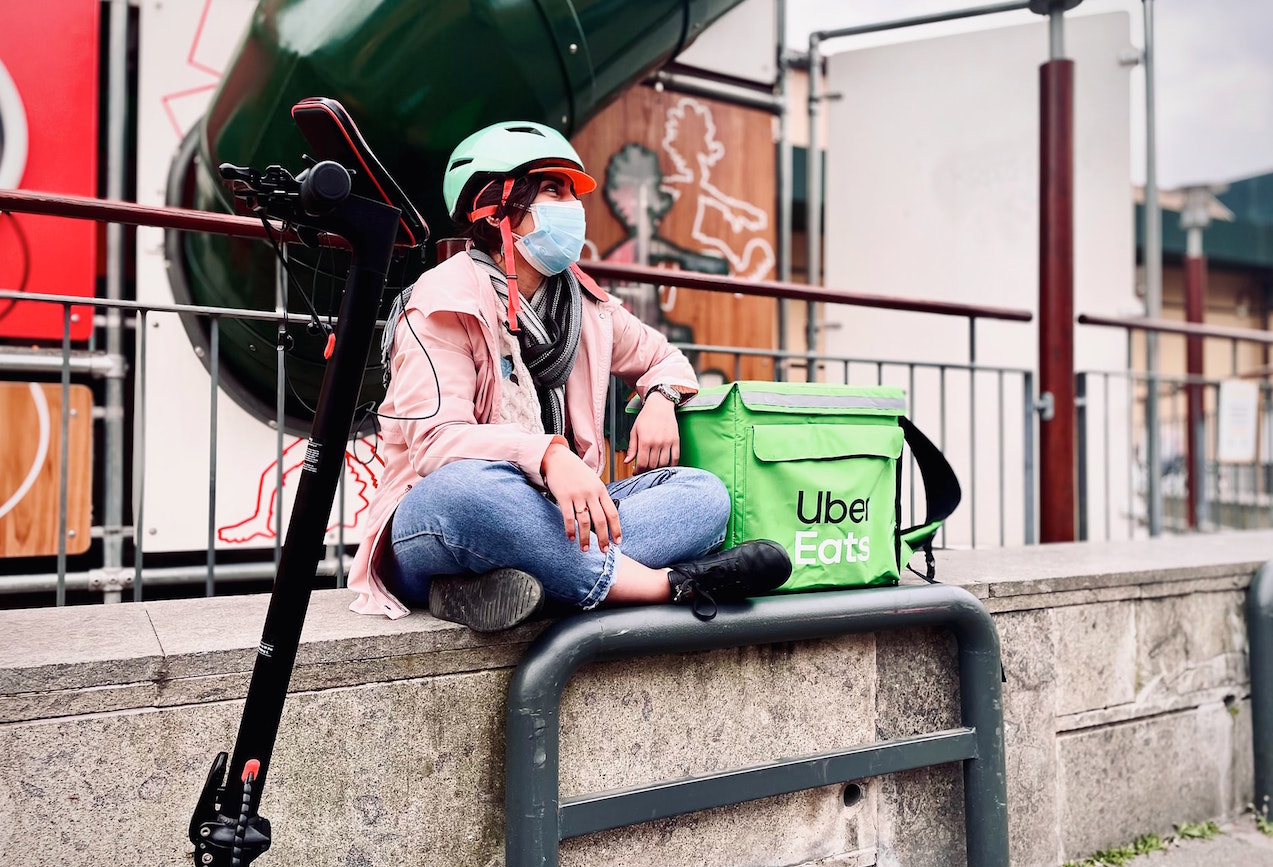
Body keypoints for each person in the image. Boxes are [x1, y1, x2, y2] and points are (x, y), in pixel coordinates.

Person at [346, 120, 790, 631]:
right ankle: (665, 585)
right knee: (470, 493)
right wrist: (549, 455)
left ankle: (520, 580)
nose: (571, 207)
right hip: (435, 519)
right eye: (553, 190)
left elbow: (665, 359)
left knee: (703, 495)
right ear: (496, 208)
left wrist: (662, 399)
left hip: (553, 511)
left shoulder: (587, 308)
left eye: (571, 194)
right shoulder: (441, 303)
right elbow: (435, 444)